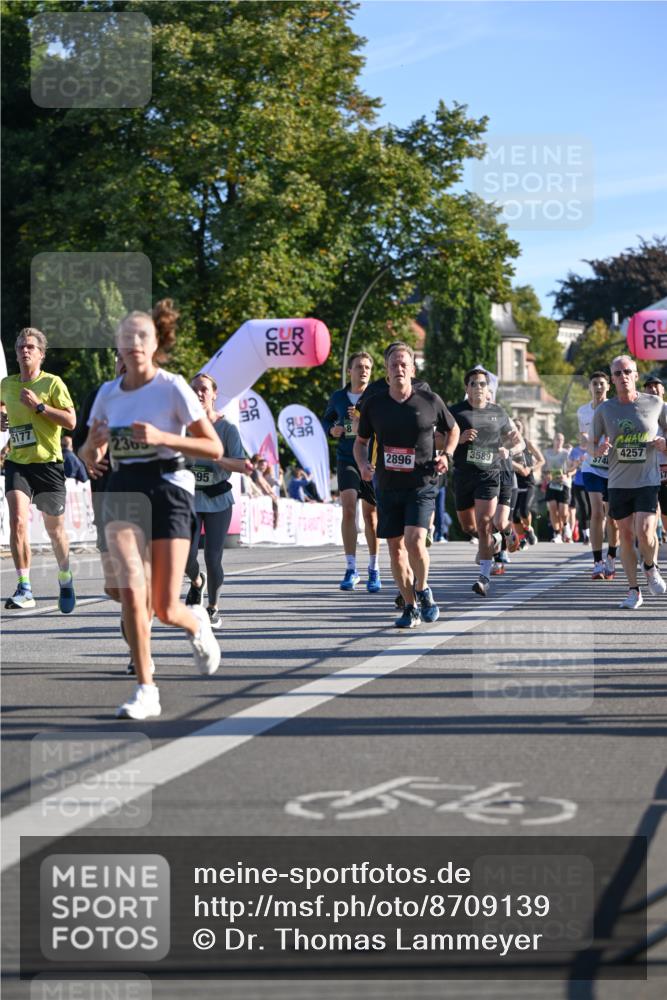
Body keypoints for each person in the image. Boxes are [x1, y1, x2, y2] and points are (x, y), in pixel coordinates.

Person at [79, 300, 223, 719]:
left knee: (163, 606)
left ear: (155, 342)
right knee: (131, 591)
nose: (134, 343)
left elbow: (212, 446)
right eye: (126, 337)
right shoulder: (107, 394)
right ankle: (146, 688)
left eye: (142, 335)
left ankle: (195, 622)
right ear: (118, 348)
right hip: (124, 487)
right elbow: (88, 453)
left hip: (170, 487)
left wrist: (163, 435)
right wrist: (95, 444)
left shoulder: (173, 387)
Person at [354, 344, 458, 627]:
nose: (399, 369)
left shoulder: (429, 400)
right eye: (393, 365)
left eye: (403, 365)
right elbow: (361, 443)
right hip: (388, 486)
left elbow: (453, 429)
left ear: (412, 369)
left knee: (414, 540)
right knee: (396, 550)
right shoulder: (374, 405)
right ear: (387, 373)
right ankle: (409, 606)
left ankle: (423, 589)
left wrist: (446, 455)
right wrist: (363, 465)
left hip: (422, 483)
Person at [1, 327, 77, 612]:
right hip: (18, 463)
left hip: (48, 464)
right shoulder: (7, 384)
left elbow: (71, 422)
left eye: (31, 347)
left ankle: (65, 576)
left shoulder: (53, 384)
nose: (25, 350)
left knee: (54, 529)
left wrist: (41, 407)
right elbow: (2, 408)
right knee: (18, 520)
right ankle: (25, 587)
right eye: (20, 346)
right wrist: (1, 418)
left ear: (41, 355)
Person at [590, 355, 667, 609]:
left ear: (635, 375)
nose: (623, 377)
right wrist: (598, 449)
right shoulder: (604, 409)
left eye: (627, 372)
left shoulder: (656, 403)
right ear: (612, 379)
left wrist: (664, 444)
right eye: (617, 373)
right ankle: (634, 590)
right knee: (625, 535)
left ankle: (650, 566)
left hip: (647, 479)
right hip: (619, 482)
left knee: (645, 532)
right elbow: (591, 445)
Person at [184, 373, 253, 628]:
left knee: (213, 558)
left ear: (214, 394)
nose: (199, 393)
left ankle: (212, 607)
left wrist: (216, 458)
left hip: (218, 499)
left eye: (204, 389)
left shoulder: (226, 428)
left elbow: (242, 464)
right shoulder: (183, 426)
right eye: (194, 390)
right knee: (185, 557)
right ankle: (196, 582)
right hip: (189, 499)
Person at [449, 369, 520, 597]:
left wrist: (508, 449)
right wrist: (458, 440)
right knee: (468, 527)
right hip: (462, 474)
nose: (478, 388)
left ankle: (484, 577)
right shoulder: (455, 412)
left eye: (482, 384)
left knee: (484, 523)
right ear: (466, 388)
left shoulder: (498, 412)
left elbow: (517, 440)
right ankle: (496, 539)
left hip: (489, 475)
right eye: (473, 384)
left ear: (488, 388)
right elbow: (437, 438)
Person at [322, 351, 381, 592]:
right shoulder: (338, 397)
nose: (364, 370)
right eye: (359, 366)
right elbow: (327, 421)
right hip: (346, 457)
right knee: (348, 507)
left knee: (371, 517)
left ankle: (374, 568)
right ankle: (350, 567)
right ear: (350, 371)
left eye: (367, 367)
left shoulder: (377, 395)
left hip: (370, 460)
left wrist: (362, 421)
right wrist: (333, 430)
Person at [578, 371, 620, 580]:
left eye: (602, 383)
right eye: (594, 383)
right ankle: (597, 562)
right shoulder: (582, 412)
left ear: (608, 387)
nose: (598, 387)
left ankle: (611, 557)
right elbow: (583, 441)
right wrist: (586, 443)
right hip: (591, 467)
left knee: (612, 519)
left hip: (614, 469)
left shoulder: (615, 408)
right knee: (597, 513)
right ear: (590, 387)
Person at [641, 374, 667, 566]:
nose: (653, 389)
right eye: (649, 387)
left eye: (656, 386)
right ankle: (652, 561)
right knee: (648, 516)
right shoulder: (640, 411)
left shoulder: (666, 409)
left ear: (663, 390)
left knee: (664, 516)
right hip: (645, 469)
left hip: (665, 466)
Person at [511, 417, 543, 546]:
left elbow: (541, 460)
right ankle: (522, 537)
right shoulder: (506, 445)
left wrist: (531, 469)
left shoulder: (527, 443)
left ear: (522, 429)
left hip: (528, 482)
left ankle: (529, 529)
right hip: (514, 483)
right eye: (515, 426)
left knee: (524, 511)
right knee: (514, 515)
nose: (517, 428)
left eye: (519, 426)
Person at [542, 432, 574, 543]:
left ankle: (566, 525)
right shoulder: (546, 453)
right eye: (557, 439)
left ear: (563, 441)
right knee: (552, 508)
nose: (559, 441)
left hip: (564, 483)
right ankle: (557, 534)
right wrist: (546, 475)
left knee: (563, 512)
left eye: (561, 439)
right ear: (553, 440)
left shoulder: (567, 453)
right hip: (551, 484)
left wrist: (567, 474)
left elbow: (573, 468)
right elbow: (543, 467)